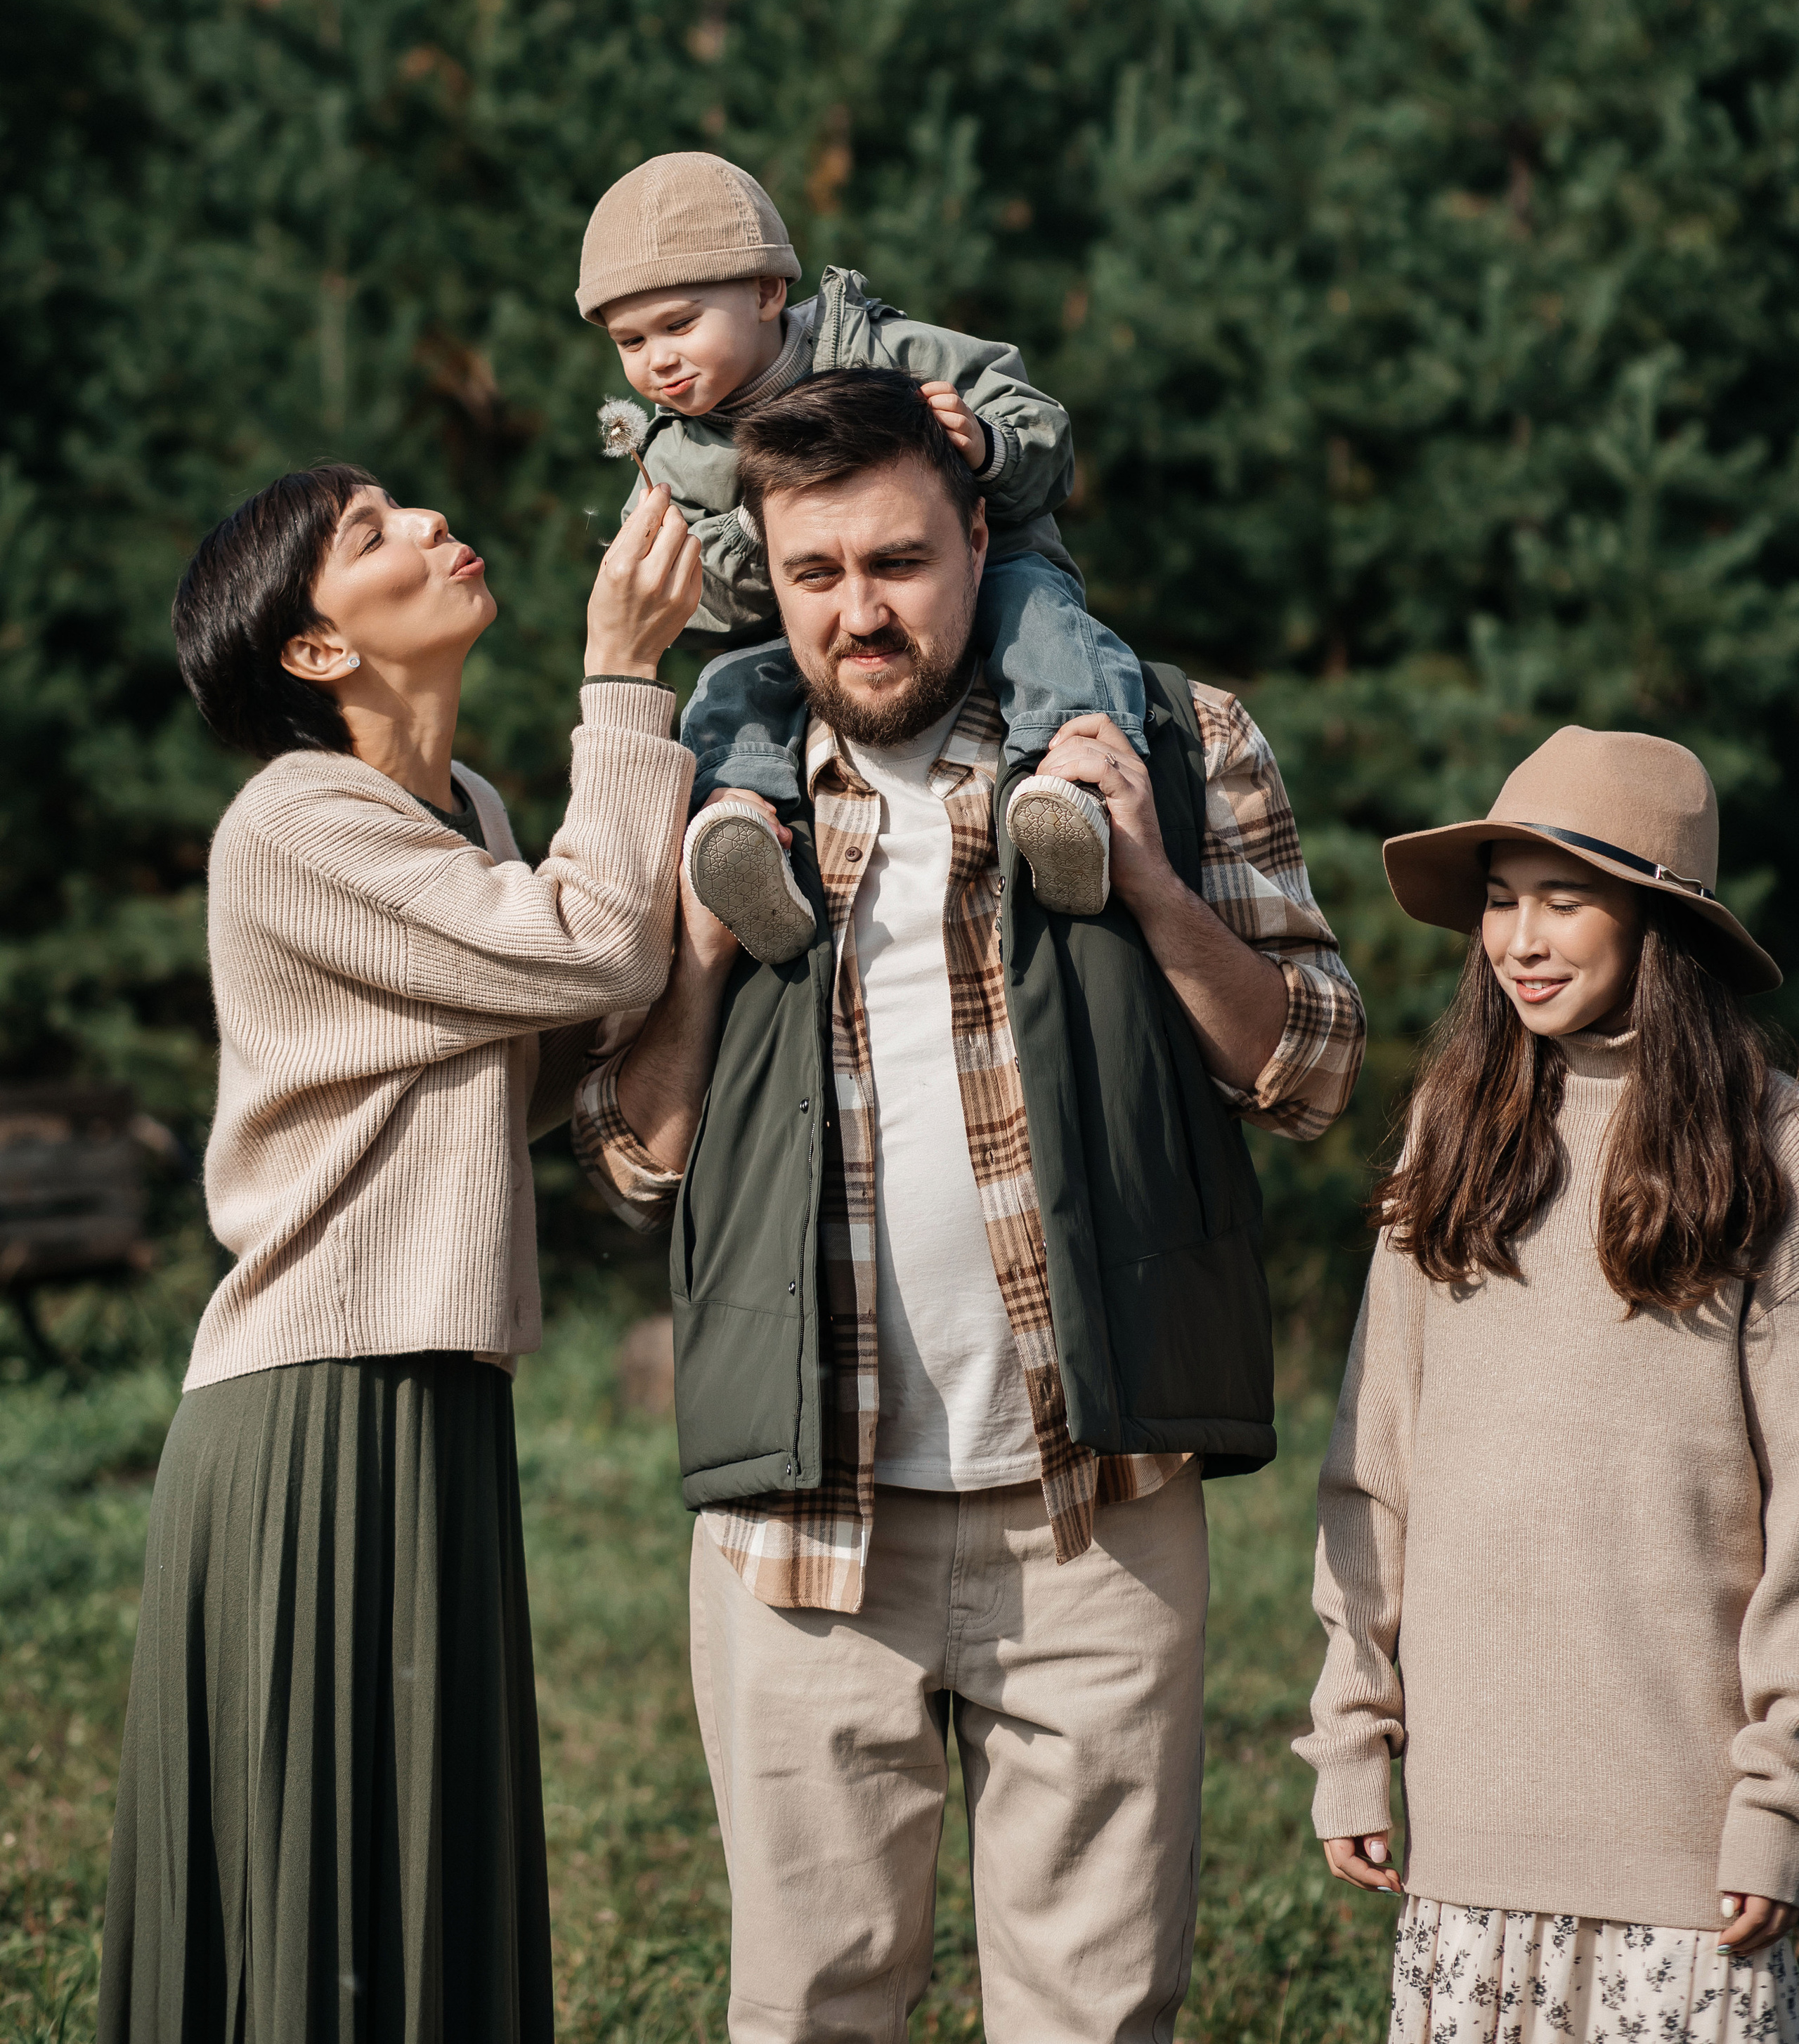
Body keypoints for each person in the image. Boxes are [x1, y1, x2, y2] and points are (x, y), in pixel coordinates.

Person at [571, 366, 1367, 2044]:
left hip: (1093, 1503)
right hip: (800, 1524)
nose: (859, 612)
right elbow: (632, 1153)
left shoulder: (1165, 732)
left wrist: (1146, 877)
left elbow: (1309, 1067)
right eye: (815, 574)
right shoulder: (721, 792)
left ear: (979, 530)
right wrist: (703, 954)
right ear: (765, 575)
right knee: (808, 2005)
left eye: (898, 561)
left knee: (1093, 2014)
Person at [97, 465, 702, 2043]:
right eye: (371, 536)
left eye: (408, 507)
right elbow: (595, 945)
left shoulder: (471, 817)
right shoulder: (296, 824)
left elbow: (563, 1040)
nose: (432, 525)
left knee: (416, 1872)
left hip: (430, 1386)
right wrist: (624, 676)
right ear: (313, 652)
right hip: (312, 1407)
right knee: (336, 1885)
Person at [1296, 725, 1799, 2044]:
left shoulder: (1773, 1147)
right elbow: (1375, 1463)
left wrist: (1778, 1795)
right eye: (1501, 899)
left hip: (1688, 1861)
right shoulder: (1453, 1133)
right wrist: (1352, 1729)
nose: (1519, 937)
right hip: (1470, 1856)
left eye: (1563, 899)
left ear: (1659, 920)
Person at [576, 147, 1150, 944]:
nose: (658, 359)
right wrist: (757, 528)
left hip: (989, 570)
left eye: (679, 324)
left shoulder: (886, 349)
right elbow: (695, 602)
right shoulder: (667, 455)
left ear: (768, 291)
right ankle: (744, 833)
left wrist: (986, 444)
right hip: (795, 629)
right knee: (728, 688)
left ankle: (1069, 790)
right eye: (630, 342)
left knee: (1041, 628)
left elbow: (1043, 430)